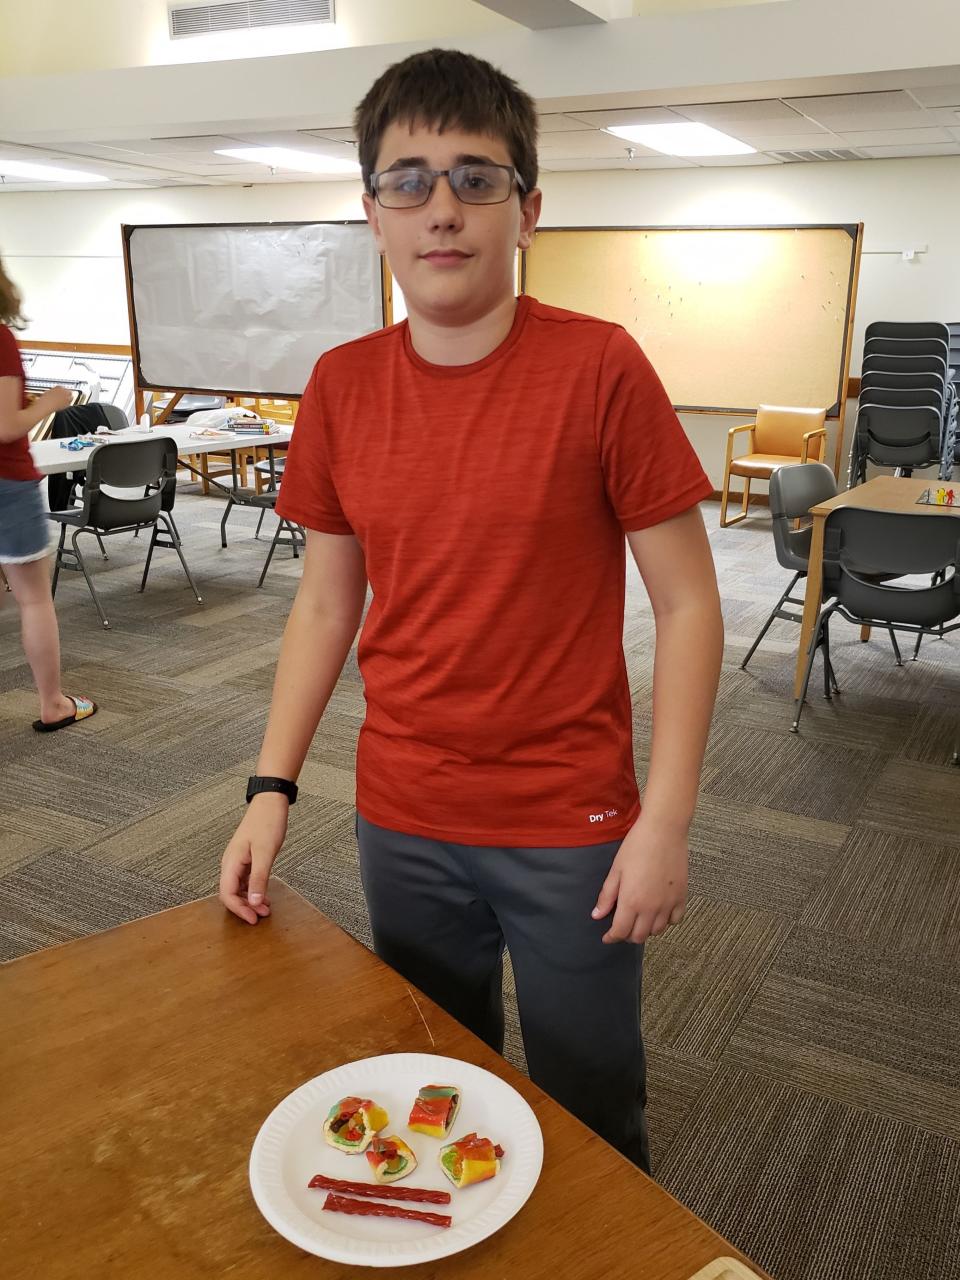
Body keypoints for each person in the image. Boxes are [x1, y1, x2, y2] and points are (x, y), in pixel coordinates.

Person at [219, 49, 723, 1173]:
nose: (441, 209)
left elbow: (690, 604)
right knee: (434, 1080)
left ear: (527, 209)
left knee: (591, 1109)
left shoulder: (599, 368)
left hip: (571, 822)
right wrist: (269, 786)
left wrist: (668, 819)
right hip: (403, 814)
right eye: (408, 180)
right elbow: (324, 603)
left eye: (475, 178)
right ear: (373, 214)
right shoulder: (343, 384)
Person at [0, 259, 97, 732]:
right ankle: (53, 703)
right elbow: (4, 426)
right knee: (34, 599)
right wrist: (50, 402)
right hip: (6, 481)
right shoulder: (0, 340)